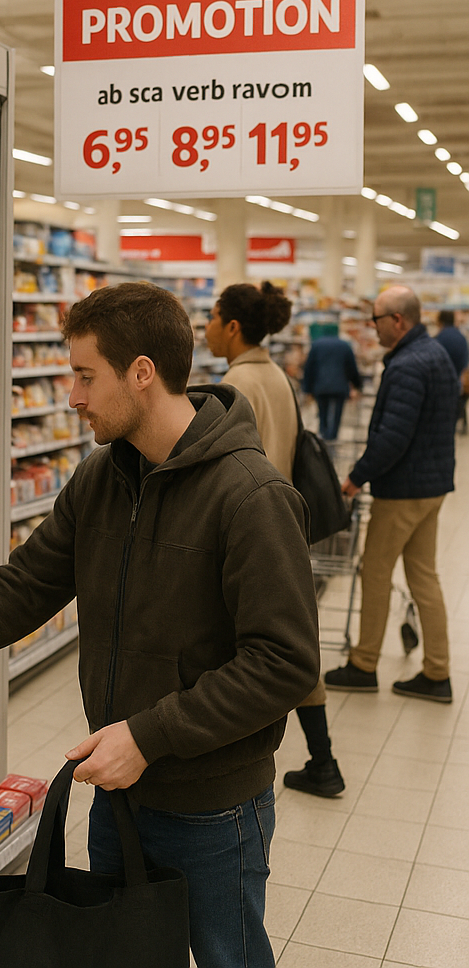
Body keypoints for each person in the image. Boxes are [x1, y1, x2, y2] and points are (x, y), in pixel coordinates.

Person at [0, 282, 320, 968]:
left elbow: (284, 663)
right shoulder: (101, 478)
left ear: (141, 373)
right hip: (120, 792)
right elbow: (23, 588)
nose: (72, 395)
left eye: (86, 375)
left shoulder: (250, 496)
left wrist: (148, 736)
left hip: (212, 809)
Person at [206, 282, 344, 798]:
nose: (208, 327)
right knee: (294, 642)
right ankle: (322, 758)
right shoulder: (276, 374)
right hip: (286, 521)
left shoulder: (238, 380)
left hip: (254, 532)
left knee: (263, 649)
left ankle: (313, 761)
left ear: (233, 326)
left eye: (214, 317)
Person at [326, 285, 458, 703]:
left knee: (376, 572)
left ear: (397, 321)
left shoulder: (406, 365)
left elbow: (392, 438)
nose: (373, 327)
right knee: (424, 576)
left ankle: (364, 664)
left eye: (377, 319)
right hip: (431, 487)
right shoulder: (435, 355)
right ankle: (437, 672)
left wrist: (356, 477)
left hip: (403, 490)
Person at [301, 322, 362, 441]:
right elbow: (351, 367)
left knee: (322, 413)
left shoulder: (316, 345)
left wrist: (307, 388)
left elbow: (309, 368)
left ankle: (323, 437)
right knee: (336, 416)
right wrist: (357, 385)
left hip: (320, 386)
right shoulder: (344, 345)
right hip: (339, 387)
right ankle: (332, 438)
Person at [434, 309, 468, 433]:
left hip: (441, 387)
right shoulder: (461, 338)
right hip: (457, 384)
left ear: (440, 321)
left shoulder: (439, 338)